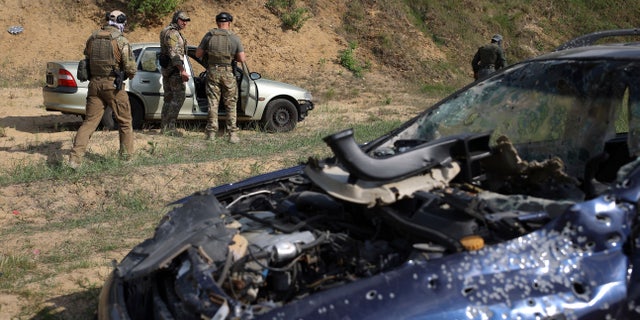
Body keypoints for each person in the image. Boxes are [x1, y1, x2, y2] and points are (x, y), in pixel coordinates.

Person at [67, 10, 137, 169]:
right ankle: (126, 159)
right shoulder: (121, 41)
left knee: (89, 123)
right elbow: (131, 69)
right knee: (125, 122)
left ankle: (74, 159)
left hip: (94, 85)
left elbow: (87, 57)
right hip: (113, 86)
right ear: (121, 21)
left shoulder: (92, 37)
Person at [195, 11, 246, 143]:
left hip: (212, 72)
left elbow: (198, 53)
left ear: (217, 23)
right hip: (228, 73)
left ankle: (211, 133)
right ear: (229, 23)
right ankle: (232, 135)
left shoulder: (209, 36)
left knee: (213, 102)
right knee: (230, 103)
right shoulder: (234, 38)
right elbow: (241, 58)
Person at [159, 11, 190, 136]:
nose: (185, 23)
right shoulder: (172, 33)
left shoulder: (165, 31)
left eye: (187, 20)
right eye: (182, 20)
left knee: (168, 99)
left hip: (167, 70)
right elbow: (174, 54)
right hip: (174, 71)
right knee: (179, 97)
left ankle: (164, 127)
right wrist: (182, 70)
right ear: (176, 19)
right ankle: (170, 128)